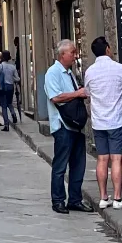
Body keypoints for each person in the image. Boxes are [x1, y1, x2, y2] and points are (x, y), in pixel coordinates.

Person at [84, 36, 122, 210]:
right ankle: (118, 198)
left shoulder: (90, 72)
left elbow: (88, 94)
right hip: (117, 121)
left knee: (102, 159)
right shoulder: (120, 69)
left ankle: (103, 198)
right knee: (116, 159)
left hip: (99, 122)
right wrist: (121, 107)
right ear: (107, 49)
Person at [44, 39, 93, 215]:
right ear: (62, 54)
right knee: (60, 165)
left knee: (78, 165)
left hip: (75, 125)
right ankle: (57, 200)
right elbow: (55, 97)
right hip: (63, 125)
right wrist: (77, 93)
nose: (75, 55)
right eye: (72, 52)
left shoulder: (69, 73)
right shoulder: (53, 73)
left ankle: (75, 199)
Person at [0, 49, 20, 130]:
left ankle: (6, 124)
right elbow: (17, 79)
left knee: (4, 106)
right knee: (9, 103)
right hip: (10, 87)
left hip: (2, 87)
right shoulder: (12, 67)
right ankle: (13, 114)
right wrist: (12, 78)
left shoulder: (0, 66)